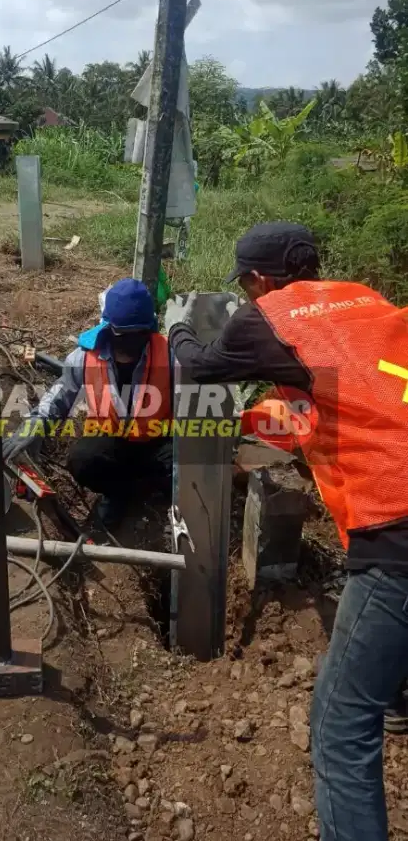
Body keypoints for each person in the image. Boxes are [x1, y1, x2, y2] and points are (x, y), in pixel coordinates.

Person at [165, 220, 408, 841]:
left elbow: (198, 370)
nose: (248, 295)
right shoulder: (365, 299)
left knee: (339, 722)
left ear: (259, 280)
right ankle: (398, 690)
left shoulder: (267, 315)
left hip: (397, 528)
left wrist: (179, 329)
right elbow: (344, 392)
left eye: (246, 285)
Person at [3, 277, 173, 525]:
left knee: (189, 464)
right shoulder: (84, 357)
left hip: (157, 442)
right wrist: (31, 428)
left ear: (150, 330)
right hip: (112, 443)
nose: (130, 343)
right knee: (82, 460)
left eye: (139, 335)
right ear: (107, 328)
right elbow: (57, 399)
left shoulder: (170, 355)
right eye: (123, 335)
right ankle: (119, 493)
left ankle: (152, 489)